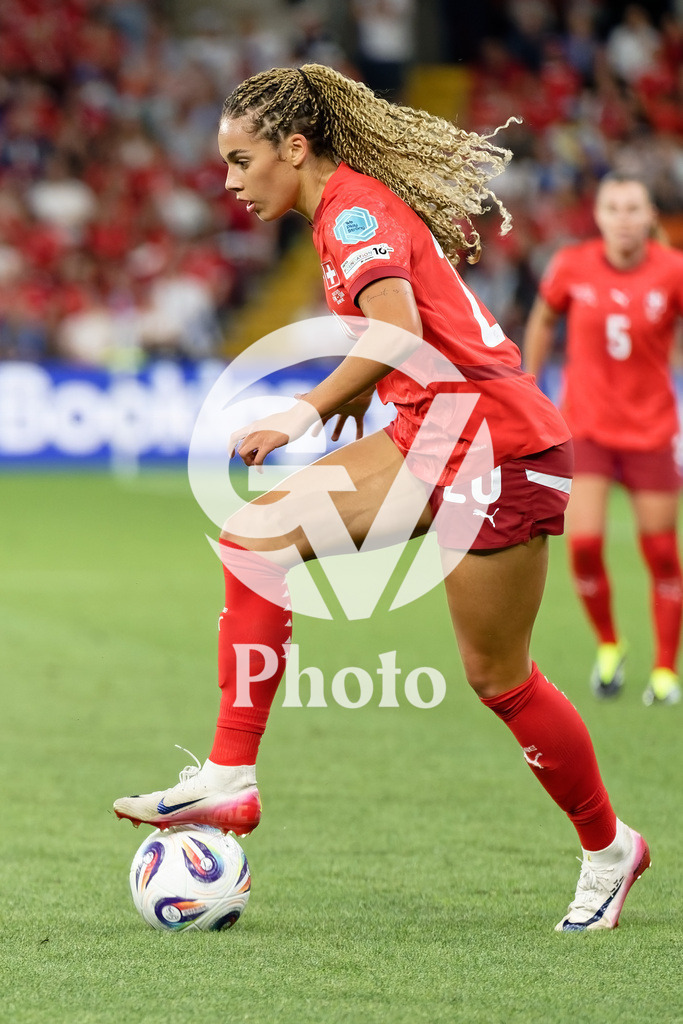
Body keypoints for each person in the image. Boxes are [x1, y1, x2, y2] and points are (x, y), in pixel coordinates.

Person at [114, 65, 650, 931]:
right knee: (254, 539)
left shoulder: (353, 213)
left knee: (498, 678)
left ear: (294, 147)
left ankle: (609, 849)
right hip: (430, 436)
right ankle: (229, 777)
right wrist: (373, 388)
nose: (228, 181)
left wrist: (307, 407)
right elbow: (404, 333)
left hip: (499, 448)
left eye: (240, 160)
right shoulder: (341, 211)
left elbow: (397, 329)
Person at [524, 173, 683, 707]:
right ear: (598, 216)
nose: (622, 217)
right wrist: (531, 383)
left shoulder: (673, 271)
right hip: (587, 428)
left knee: (661, 551)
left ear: (649, 217)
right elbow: (544, 319)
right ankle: (610, 646)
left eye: (632, 207)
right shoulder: (571, 265)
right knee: (585, 544)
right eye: (612, 207)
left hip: (652, 430)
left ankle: (664, 669)